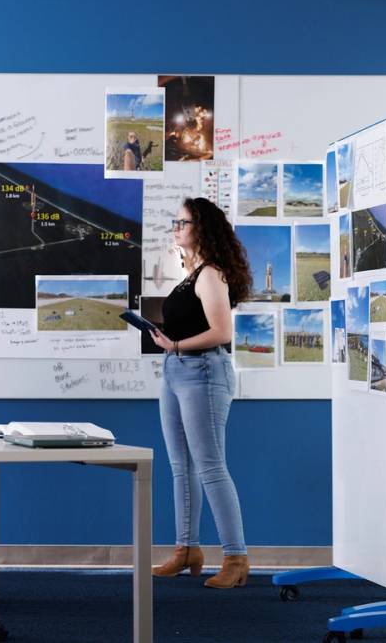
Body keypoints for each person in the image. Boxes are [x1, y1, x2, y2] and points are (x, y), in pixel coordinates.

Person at [149, 197, 251, 589]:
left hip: (204, 372)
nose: (176, 228)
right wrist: (169, 344)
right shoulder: (190, 275)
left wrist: (175, 346)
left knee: (210, 465)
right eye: (174, 222)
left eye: (183, 222)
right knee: (181, 466)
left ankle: (235, 557)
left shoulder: (211, 274)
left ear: (202, 228)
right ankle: (187, 549)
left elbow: (222, 333)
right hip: (176, 372)